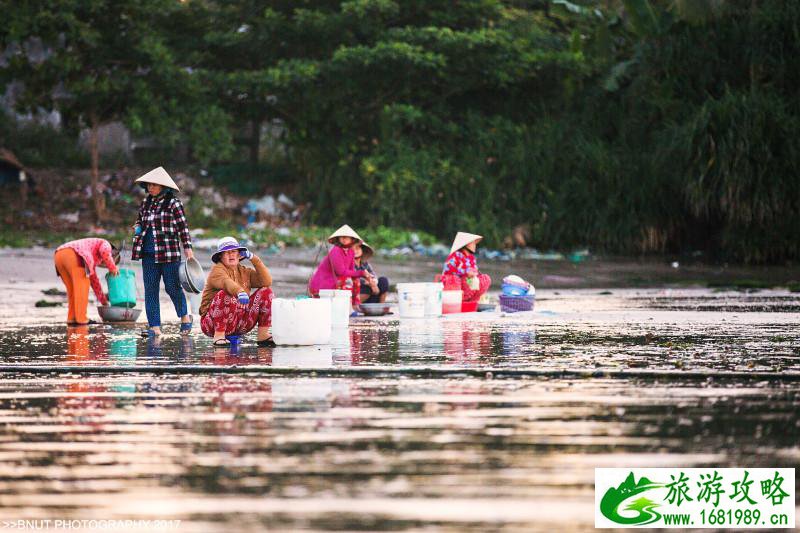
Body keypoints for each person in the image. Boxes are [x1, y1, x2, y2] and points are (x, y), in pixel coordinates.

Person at [131, 167, 194, 337]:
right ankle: (155, 327)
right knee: (150, 290)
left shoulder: (174, 204)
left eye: (154, 185)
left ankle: (185, 318)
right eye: (149, 185)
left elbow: (183, 228)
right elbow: (139, 220)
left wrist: (188, 248)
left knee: (172, 287)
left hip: (169, 254)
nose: (150, 188)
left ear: (163, 187)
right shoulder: (146, 203)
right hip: (148, 253)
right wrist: (137, 227)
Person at [199, 237, 275, 347]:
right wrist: (239, 291)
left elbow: (266, 281)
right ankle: (219, 336)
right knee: (225, 294)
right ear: (221, 256)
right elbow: (226, 283)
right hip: (211, 324)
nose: (231, 255)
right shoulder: (217, 270)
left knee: (267, 292)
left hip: (239, 322)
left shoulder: (244, 271)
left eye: (234, 251)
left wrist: (254, 258)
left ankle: (263, 335)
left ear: (239, 255)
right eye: (227, 252)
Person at [53, 238, 120, 325]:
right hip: (75, 255)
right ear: (113, 254)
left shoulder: (90, 260)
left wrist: (104, 302)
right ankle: (81, 319)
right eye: (112, 260)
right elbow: (105, 251)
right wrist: (113, 267)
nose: (104, 264)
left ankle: (72, 318)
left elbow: (95, 283)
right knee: (82, 288)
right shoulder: (105, 244)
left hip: (59, 255)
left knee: (72, 290)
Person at [308, 225, 374, 310]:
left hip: (335, 283)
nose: (344, 239)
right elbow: (341, 272)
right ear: (338, 238)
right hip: (322, 285)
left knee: (355, 280)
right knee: (347, 281)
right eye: (342, 237)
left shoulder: (351, 252)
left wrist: (366, 276)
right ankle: (347, 308)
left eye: (346, 237)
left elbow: (352, 271)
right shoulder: (336, 251)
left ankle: (354, 305)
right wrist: (361, 273)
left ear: (352, 239)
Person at [441, 231, 491, 302]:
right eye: (472, 243)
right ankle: (459, 301)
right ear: (466, 244)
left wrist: (474, 274)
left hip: (468, 283)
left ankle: (471, 301)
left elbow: (474, 270)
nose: (475, 245)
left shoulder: (472, 258)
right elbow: (448, 270)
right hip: (454, 284)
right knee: (455, 279)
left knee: (485, 278)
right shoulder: (455, 255)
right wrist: (466, 273)